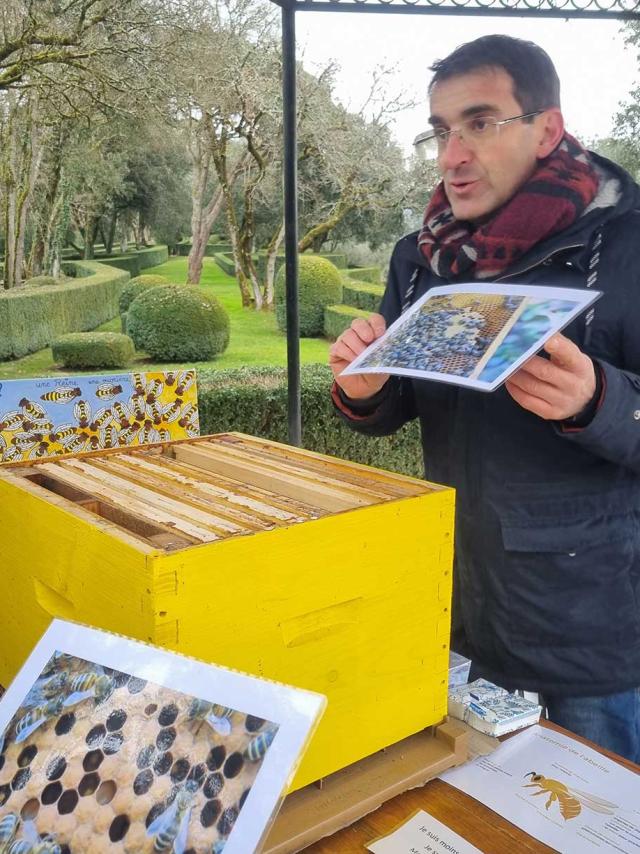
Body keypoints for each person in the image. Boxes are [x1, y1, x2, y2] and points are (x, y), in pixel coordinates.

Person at [329, 34, 640, 763]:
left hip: (592, 638)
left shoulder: (630, 246)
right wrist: (367, 390)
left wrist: (600, 399)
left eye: (479, 122)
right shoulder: (421, 257)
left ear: (548, 129)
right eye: (440, 131)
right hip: (457, 610)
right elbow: (400, 404)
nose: (451, 156)